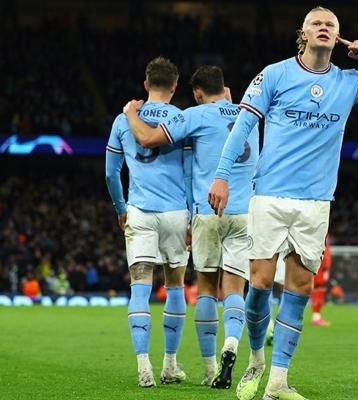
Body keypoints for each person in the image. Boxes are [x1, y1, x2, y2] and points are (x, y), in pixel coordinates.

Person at [208, 6, 358, 400]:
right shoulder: (274, 74)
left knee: (300, 289)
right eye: (316, 24)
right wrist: (221, 174)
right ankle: (256, 360)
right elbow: (243, 126)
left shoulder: (349, 81)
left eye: (330, 25)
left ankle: (278, 381)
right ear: (302, 34)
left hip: (317, 201)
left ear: (338, 37)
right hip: (270, 195)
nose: (323, 28)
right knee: (260, 284)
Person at [122, 65, 259, 389]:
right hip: (245, 212)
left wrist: (130, 113)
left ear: (197, 93)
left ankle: (210, 370)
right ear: (224, 87)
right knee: (235, 290)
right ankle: (232, 344)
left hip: (208, 211)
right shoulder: (250, 116)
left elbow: (147, 138)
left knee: (207, 290)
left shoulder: (195, 115)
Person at [105, 57, 191, 387]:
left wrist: (121, 208)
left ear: (146, 84)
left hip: (139, 211)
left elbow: (111, 173)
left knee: (139, 287)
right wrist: (192, 214)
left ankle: (144, 367)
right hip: (175, 213)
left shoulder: (122, 120)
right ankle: (170, 364)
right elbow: (190, 172)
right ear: (174, 86)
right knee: (175, 286)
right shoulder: (182, 119)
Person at [311, 236, 332, 326]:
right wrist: (325, 265)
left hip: (322, 267)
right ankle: (316, 317)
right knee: (318, 291)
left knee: (320, 291)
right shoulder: (321, 234)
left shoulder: (325, 235)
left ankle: (317, 316)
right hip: (320, 267)